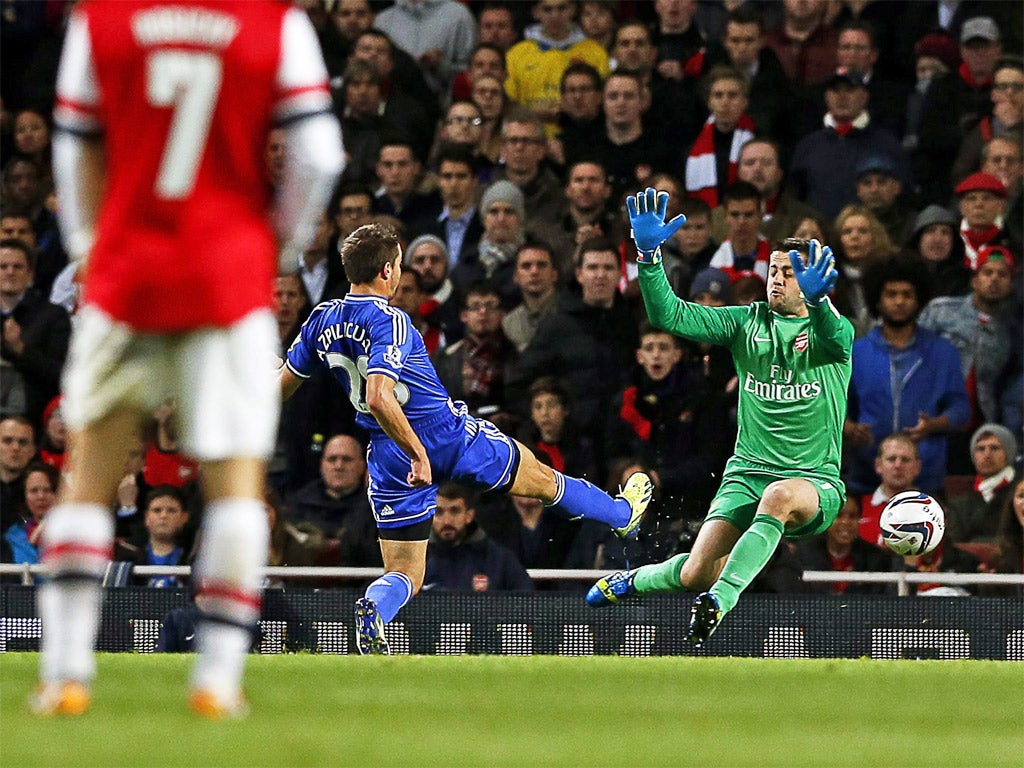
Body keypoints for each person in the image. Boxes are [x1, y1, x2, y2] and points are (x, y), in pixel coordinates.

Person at [36, 1, 344, 719]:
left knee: (87, 479)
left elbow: (75, 143)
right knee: (236, 487)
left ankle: (66, 676)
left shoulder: (101, 21)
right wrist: (274, 240)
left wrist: (90, 244)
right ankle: (216, 682)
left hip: (125, 275)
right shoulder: (276, 25)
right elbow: (320, 154)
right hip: (226, 280)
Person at [278, 222, 652, 654]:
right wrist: (418, 451)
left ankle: (375, 608)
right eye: (399, 264)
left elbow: (280, 389)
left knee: (405, 574)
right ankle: (621, 514)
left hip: (385, 452)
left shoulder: (322, 319)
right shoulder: (391, 320)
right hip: (441, 435)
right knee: (543, 480)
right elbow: (381, 395)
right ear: (386, 271)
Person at [588, 188, 852, 650]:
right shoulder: (744, 323)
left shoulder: (832, 332)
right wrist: (648, 257)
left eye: (789, 274)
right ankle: (635, 580)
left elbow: (834, 336)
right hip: (746, 474)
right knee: (694, 571)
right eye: (773, 270)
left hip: (814, 484)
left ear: (812, 282)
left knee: (779, 496)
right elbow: (667, 314)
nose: (776, 280)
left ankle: (720, 601)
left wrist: (822, 304)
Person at [843, 257, 970, 498]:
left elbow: (960, 407)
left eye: (907, 294)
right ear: (877, 300)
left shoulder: (942, 352)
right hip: (866, 475)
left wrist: (936, 424)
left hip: (926, 477)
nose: (899, 301)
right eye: (891, 294)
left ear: (919, 299)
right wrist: (847, 428)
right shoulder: (857, 353)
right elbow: (837, 407)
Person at [285, 433, 379, 567]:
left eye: (347, 459)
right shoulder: (297, 504)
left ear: (362, 465)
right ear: (322, 465)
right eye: (332, 459)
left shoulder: (375, 508)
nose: (339, 466)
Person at [422, 482, 533, 592]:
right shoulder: (417, 558)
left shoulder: (499, 559)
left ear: (469, 515)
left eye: (455, 511)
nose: (447, 521)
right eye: (438, 512)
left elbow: (525, 601)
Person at [793, 495, 897, 594]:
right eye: (839, 516)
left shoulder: (876, 558)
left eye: (852, 517)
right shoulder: (803, 555)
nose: (845, 522)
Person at [947, 424, 1018, 545]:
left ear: (1008, 453)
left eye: (995, 448)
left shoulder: (1020, 491)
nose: (987, 455)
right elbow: (954, 546)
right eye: (980, 449)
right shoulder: (959, 505)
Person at [855, 433, 924, 550]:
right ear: (878, 465)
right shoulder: (856, 509)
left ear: (917, 467)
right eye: (891, 459)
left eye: (905, 460)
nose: (898, 465)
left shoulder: (931, 512)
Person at [2, 461, 57, 565]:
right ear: (25, 496)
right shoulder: (13, 537)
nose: (41, 497)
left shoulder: (72, 532)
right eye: (34, 491)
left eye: (47, 490)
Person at [0, 416, 36, 536]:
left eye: (23, 442)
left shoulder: (44, 492)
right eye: (8, 441)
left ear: (32, 451)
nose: (15, 448)